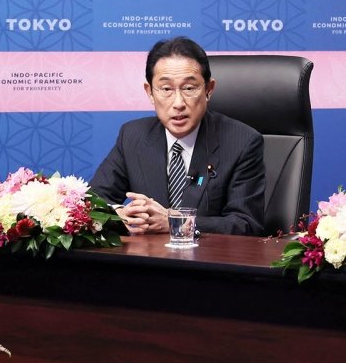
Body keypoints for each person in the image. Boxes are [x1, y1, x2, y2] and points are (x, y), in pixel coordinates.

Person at [89, 36, 265, 236]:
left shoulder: (242, 142)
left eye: (189, 88)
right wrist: (120, 213)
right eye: (166, 89)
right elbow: (92, 202)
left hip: (209, 263)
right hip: (146, 262)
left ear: (209, 90)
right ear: (150, 92)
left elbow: (247, 225)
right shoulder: (132, 136)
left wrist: (177, 222)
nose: (178, 103)